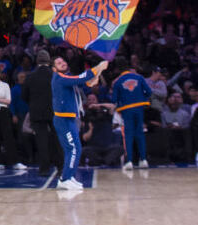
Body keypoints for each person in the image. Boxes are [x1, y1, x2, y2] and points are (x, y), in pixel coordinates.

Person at [52, 53, 108, 191]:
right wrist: (97, 68)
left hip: (70, 119)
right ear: (54, 68)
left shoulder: (68, 77)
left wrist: (97, 73)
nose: (63, 63)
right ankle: (65, 179)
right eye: (59, 63)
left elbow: (86, 82)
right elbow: (82, 77)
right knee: (73, 149)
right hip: (63, 120)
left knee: (75, 149)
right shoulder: (60, 78)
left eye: (63, 60)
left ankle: (68, 177)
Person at [110, 63, 152, 170]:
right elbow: (149, 92)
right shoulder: (139, 77)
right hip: (139, 108)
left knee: (128, 135)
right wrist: (140, 97)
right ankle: (143, 160)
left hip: (126, 110)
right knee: (140, 133)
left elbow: (114, 99)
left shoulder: (118, 82)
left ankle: (129, 161)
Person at [25, 49, 58, 176]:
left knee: (41, 141)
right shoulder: (54, 75)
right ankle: (60, 166)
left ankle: (44, 169)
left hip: (37, 112)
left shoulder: (30, 76)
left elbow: (24, 96)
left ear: (37, 61)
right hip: (54, 111)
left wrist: (34, 103)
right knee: (56, 139)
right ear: (49, 61)